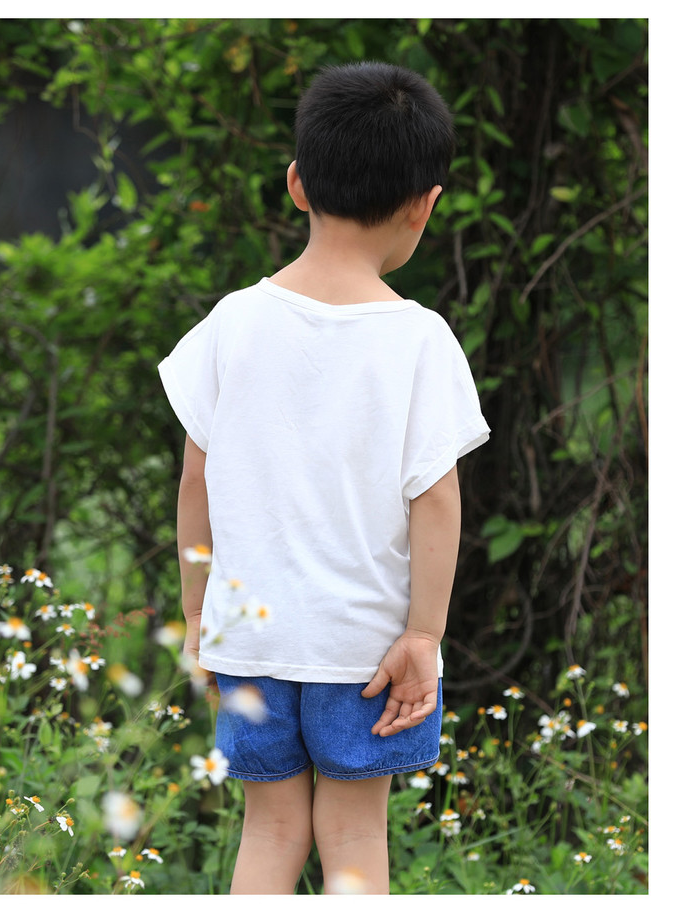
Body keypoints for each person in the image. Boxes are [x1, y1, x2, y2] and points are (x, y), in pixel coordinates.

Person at [158, 60, 490, 895]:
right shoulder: (420, 340)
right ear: (424, 205)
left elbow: (196, 480)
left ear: (297, 182)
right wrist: (423, 635)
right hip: (368, 650)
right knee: (354, 834)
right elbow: (437, 498)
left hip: (251, 637)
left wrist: (199, 612)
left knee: (268, 829)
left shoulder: (232, 322)